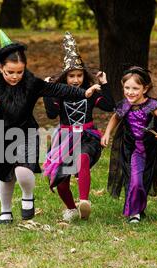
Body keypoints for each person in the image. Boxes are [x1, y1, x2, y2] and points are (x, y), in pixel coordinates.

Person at [0, 30, 100, 224]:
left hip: (27, 131)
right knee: (5, 176)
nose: (15, 77)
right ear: (0, 68)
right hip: (4, 133)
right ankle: (5, 210)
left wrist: (83, 94)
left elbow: (58, 89)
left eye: (19, 72)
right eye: (10, 72)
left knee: (23, 169)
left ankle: (27, 195)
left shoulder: (32, 83)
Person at [43, 31, 116, 222]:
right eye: (71, 76)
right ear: (65, 78)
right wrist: (47, 92)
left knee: (83, 159)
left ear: (84, 76)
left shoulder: (89, 92)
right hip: (65, 139)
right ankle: (71, 208)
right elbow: (51, 114)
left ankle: (84, 201)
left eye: (79, 75)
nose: (76, 80)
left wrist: (104, 84)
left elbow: (110, 106)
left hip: (86, 136)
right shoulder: (59, 94)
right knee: (61, 181)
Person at [101, 66, 157, 223]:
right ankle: (133, 213)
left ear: (145, 88)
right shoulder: (125, 105)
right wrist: (107, 133)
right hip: (130, 148)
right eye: (126, 88)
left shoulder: (151, 105)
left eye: (135, 88)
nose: (130, 92)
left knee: (143, 180)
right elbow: (115, 117)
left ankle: (140, 208)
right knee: (134, 179)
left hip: (149, 148)